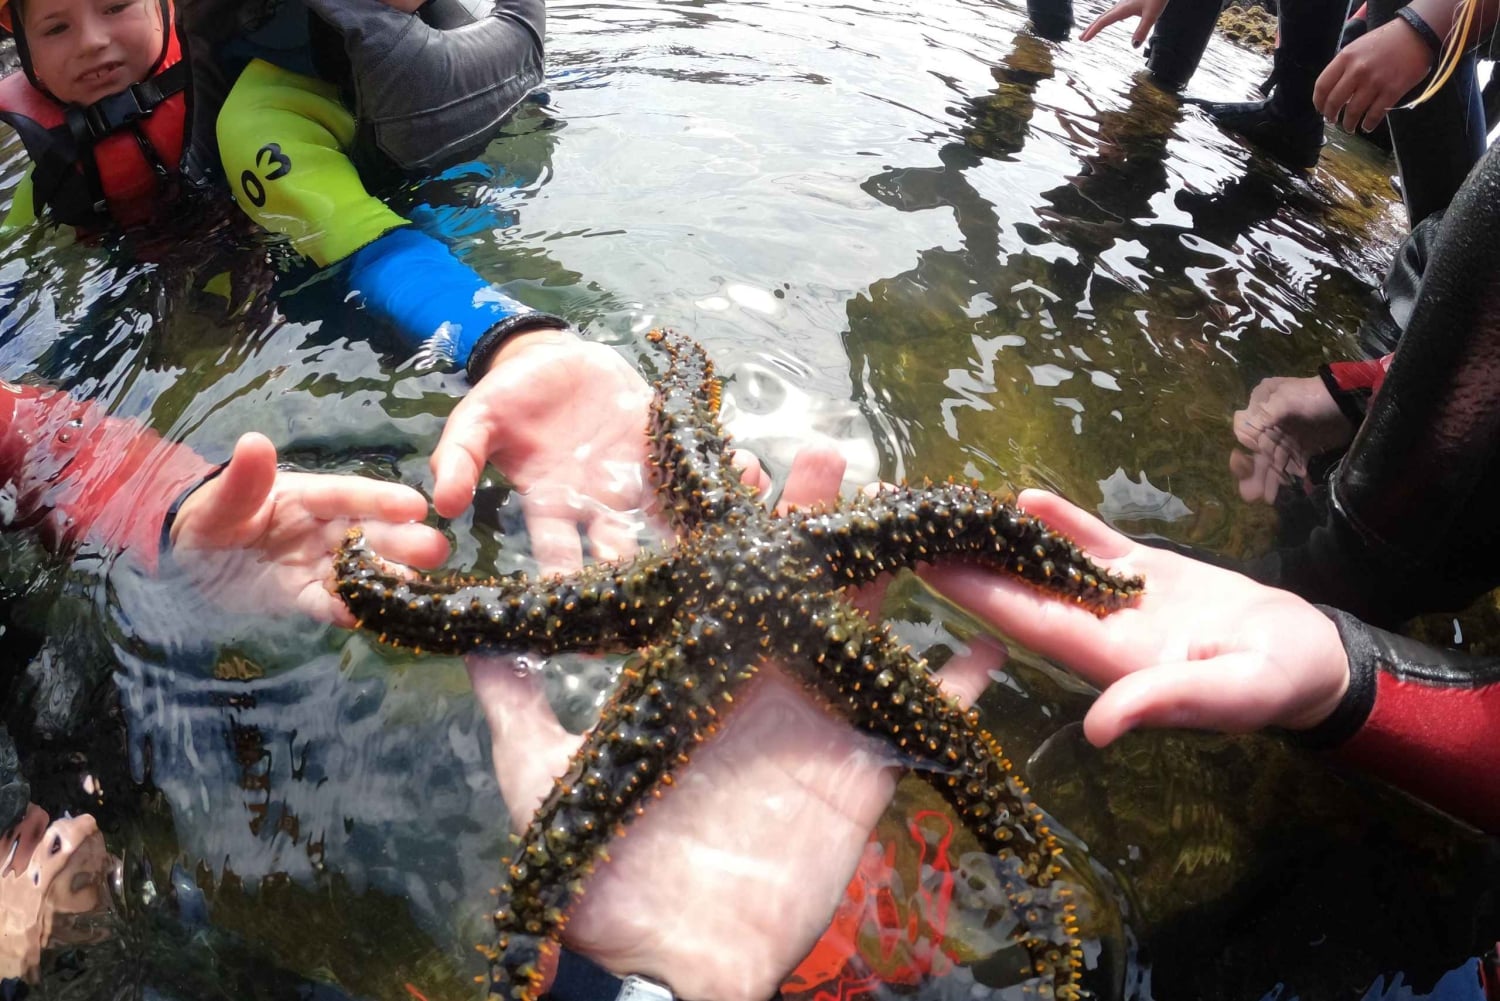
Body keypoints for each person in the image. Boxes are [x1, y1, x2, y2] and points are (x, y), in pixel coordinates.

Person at [0, 0, 658, 574]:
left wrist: (511, 341)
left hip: (332, 240)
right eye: (55, 27)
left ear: (166, 8)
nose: (90, 40)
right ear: (23, 51)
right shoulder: (63, 174)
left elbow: (375, 251)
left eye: (116, 7)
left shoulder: (248, 111)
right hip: (187, 264)